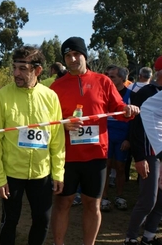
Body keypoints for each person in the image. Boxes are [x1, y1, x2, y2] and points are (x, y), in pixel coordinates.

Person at [50, 36, 139, 245]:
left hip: (96, 156)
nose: (72, 59)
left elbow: (117, 110)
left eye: (76, 54)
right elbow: (49, 121)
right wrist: (63, 124)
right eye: (67, 56)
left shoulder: (103, 81)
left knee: (93, 204)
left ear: (84, 56)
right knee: (63, 203)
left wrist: (127, 111)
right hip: (67, 157)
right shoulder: (56, 87)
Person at [0, 46, 65, 245]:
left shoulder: (50, 97)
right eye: (14, 67)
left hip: (42, 173)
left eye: (22, 68)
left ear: (37, 70)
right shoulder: (1, 96)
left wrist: (58, 172)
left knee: (42, 220)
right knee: (10, 220)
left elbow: (56, 138)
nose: (16, 73)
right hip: (12, 173)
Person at [123, 57, 162, 245]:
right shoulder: (146, 92)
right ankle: (130, 237)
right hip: (149, 153)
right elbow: (136, 127)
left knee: (161, 199)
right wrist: (139, 157)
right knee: (148, 199)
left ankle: (148, 236)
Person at [101, 65, 133, 212]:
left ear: (122, 78)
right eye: (107, 75)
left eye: (112, 76)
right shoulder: (104, 93)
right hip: (106, 135)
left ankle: (120, 196)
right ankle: (105, 197)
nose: (109, 78)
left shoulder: (130, 94)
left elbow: (134, 120)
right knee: (105, 167)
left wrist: (128, 139)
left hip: (122, 137)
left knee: (120, 168)